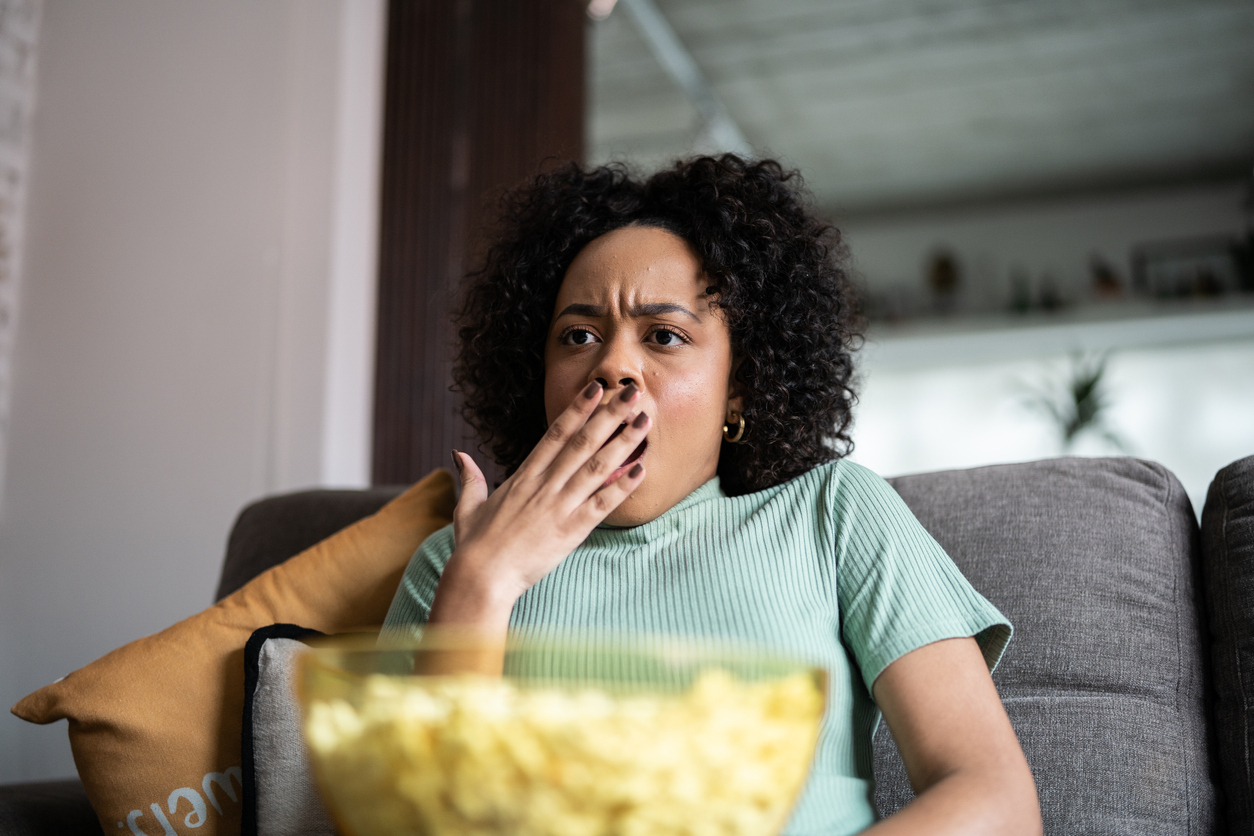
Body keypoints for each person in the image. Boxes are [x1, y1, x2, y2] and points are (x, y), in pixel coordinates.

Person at [383, 155, 1042, 834]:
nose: (610, 365)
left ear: (740, 387)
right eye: (577, 336)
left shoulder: (834, 515)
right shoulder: (453, 564)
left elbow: (995, 799)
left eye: (664, 336)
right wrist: (482, 587)